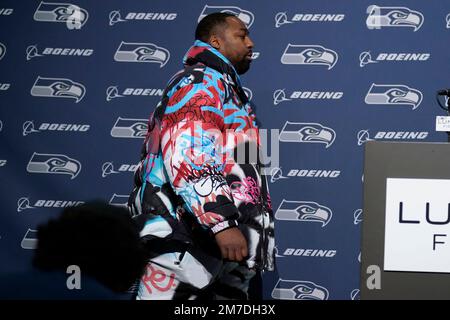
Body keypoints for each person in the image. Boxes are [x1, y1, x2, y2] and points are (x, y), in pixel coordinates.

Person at [128, 12, 275, 300]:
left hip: (228, 248)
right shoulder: (199, 81)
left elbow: (249, 174)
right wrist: (220, 222)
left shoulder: (235, 96)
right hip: (185, 240)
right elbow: (189, 154)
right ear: (215, 42)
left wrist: (249, 232)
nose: (251, 43)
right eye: (242, 35)